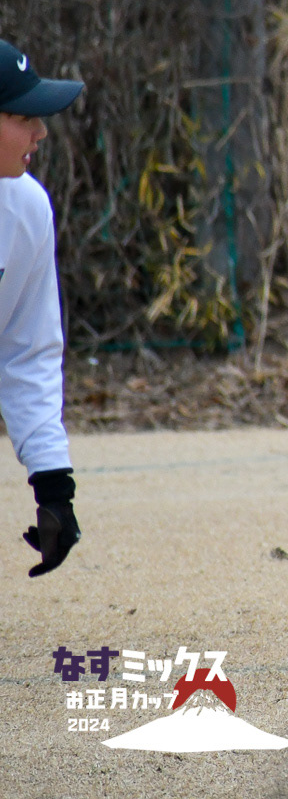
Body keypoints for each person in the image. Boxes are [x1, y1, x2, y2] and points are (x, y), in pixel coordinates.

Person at [0, 40, 85, 579]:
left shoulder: (26, 208)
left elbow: (28, 352)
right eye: (23, 117)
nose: (41, 132)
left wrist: (54, 486)